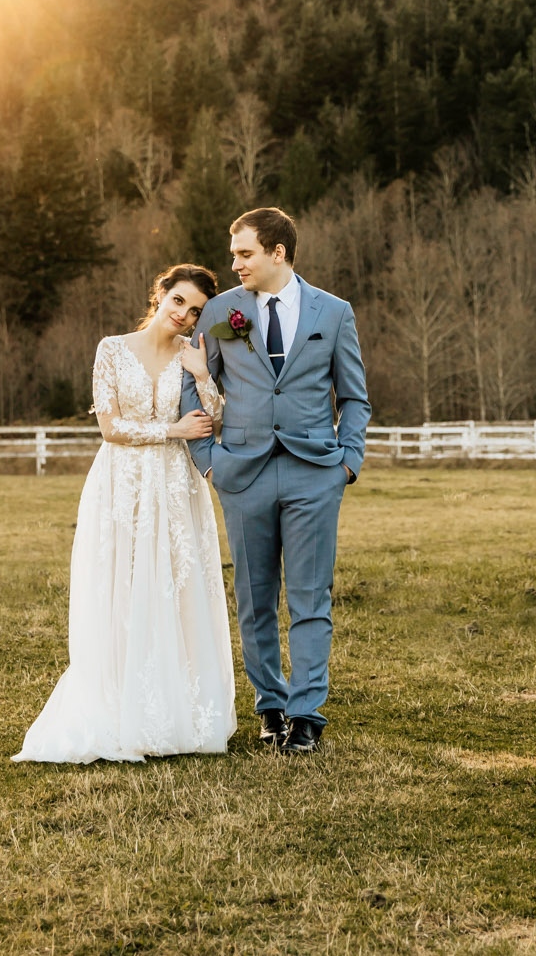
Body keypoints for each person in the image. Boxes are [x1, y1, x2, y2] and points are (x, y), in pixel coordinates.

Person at [14, 264, 238, 763]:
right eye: (178, 301)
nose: (184, 314)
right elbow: (111, 428)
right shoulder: (112, 349)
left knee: (178, 588)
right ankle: (119, 706)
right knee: (124, 584)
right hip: (123, 484)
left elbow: (215, 419)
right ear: (159, 294)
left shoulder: (193, 356)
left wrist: (203, 375)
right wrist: (172, 432)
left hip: (177, 487)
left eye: (196, 310)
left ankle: (178, 708)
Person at [181, 207, 369, 754]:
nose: (234, 263)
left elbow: (354, 396)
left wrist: (347, 461)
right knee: (256, 599)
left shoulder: (333, 313)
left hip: (316, 474)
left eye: (244, 253)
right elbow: (195, 382)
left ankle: (307, 714)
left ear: (278, 252)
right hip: (242, 473)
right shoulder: (222, 312)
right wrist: (207, 459)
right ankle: (271, 706)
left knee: (312, 598)